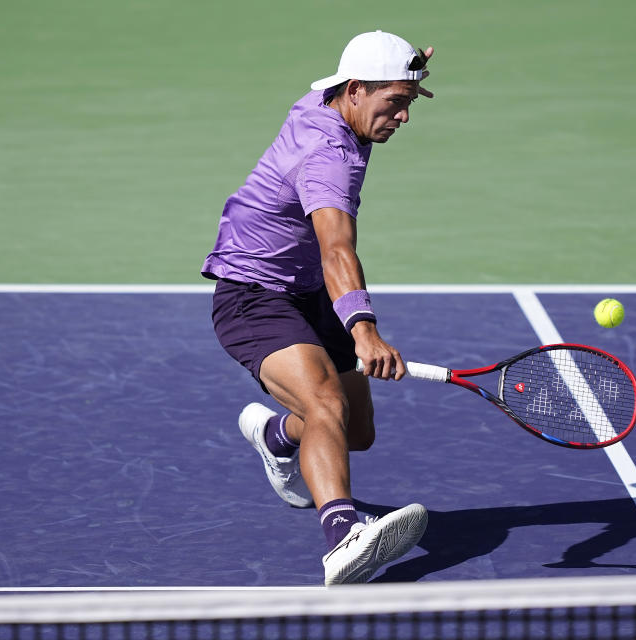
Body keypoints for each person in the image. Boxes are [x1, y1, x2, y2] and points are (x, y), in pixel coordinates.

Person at [201, 30, 433, 586]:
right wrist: (364, 329)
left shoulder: (331, 99)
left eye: (407, 103)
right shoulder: (330, 157)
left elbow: (369, 84)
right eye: (394, 103)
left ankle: (277, 435)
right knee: (326, 399)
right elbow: (337, 248)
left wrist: (407, 70)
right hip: (252, 293)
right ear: (354, 90)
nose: (403, 118)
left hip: (305, 289)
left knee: (354, 431)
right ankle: (343, 538)